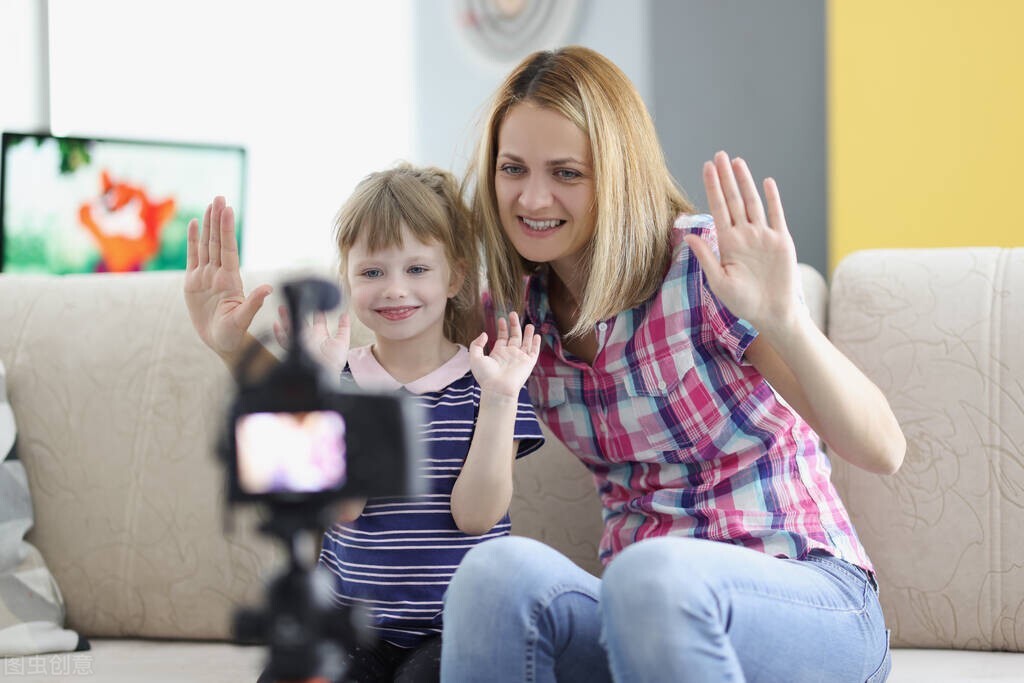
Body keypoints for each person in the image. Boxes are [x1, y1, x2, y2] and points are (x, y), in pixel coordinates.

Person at [439, 46, 905, 683]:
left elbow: (883, 449)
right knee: (494, 576)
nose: (533, 197)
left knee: (652, 574)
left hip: (805, 593)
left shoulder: (704, 267)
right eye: (513, 168)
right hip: (644, 618)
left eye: (566, 173)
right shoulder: (513, 318)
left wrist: (785, 319)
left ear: (617, 174)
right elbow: (399, 369)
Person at [183, 164, 545, 683]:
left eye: (417, 269)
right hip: (350, 630)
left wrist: (500, 398)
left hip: (459, 630)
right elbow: (343, 510)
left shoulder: (492, 380)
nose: (395, 289)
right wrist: (248, 355)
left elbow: (476, 517)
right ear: (347, 281)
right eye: (373, 273)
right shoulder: (337, 376)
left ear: (455, 277)